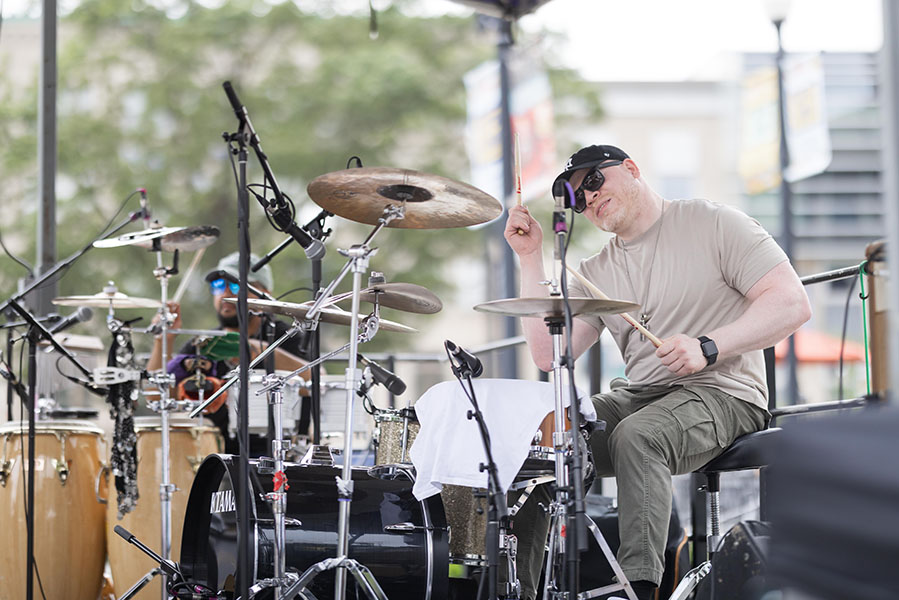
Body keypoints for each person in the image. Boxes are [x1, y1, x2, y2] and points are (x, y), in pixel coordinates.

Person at [503, 145, 811, 600]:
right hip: (642, 395)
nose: (588, 198)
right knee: (542, 438)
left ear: (631, 169)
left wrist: (708, 346)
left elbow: (792, 303)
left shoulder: (713, 222)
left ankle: (638, 590)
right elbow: (550, 354)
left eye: (594, 181)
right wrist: (529, 257)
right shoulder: (595, 270)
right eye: (575, 197)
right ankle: (519, 591)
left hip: (724, 392)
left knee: (638, 437)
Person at [146, 251, 311, 455]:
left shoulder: (287, 335)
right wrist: (163, 339)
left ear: (265, 293)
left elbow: (316, 382)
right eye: (218, 286)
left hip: (279, 456)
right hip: (213, 457)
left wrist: (255, 351)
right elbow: (155, 396)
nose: (224, 294)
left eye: (235, 286)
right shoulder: (205, 343)